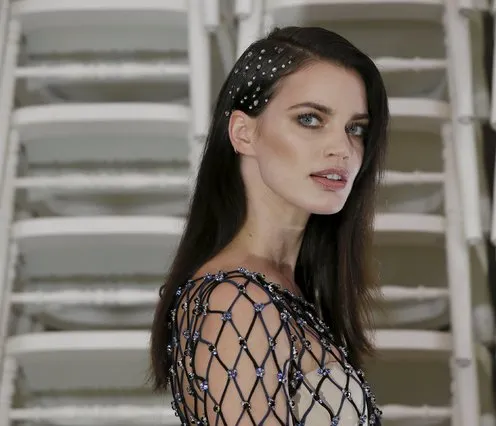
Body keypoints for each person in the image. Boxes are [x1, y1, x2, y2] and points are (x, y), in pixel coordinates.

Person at [150, 25, 389, 425]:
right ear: (244, 133)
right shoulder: (236, 302)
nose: (343, 148)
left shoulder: (281, 288)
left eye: (356, 128)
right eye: (310, 119)